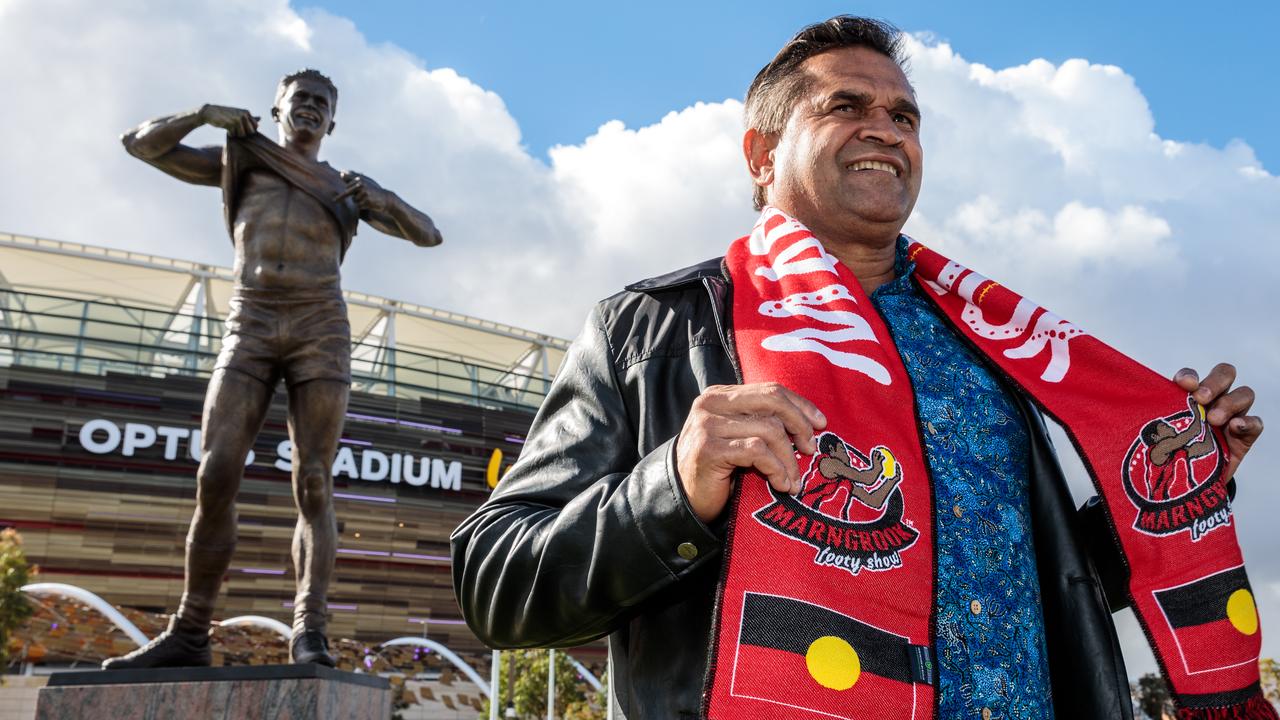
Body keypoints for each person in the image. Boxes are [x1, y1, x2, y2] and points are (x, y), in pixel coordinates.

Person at [450, 17, 1262, 719]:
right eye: (846, 106)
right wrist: (675, 484)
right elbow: (497, 583)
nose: (887, 128)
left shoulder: (995, 342)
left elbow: (1047, 588)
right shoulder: (655, 329)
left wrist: (1179, 484)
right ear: (762, 154)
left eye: (904, 116)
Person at [105, 69, 442, 669]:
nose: (309, 108)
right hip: (250, 321)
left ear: (332, 121)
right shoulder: (246, 158)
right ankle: (190, 630)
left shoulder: (345, 187)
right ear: (277, 109)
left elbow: (429, 236)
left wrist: (383, 200)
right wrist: (204, 112)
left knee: (313, 480)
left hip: (320, 330)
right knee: (216, 471)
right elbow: (140, 144)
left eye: (321, 103)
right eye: (300, 99)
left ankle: (308, 629)